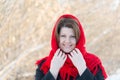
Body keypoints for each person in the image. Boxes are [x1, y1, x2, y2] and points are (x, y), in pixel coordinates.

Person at [35, 14, 107, 80]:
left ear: (79, 38)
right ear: (57, 38)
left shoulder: (93, 63)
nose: (67, 41)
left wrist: (83, 69)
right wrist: (53, 71)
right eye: (63, 36)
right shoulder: (44, 65)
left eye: (72, 36)